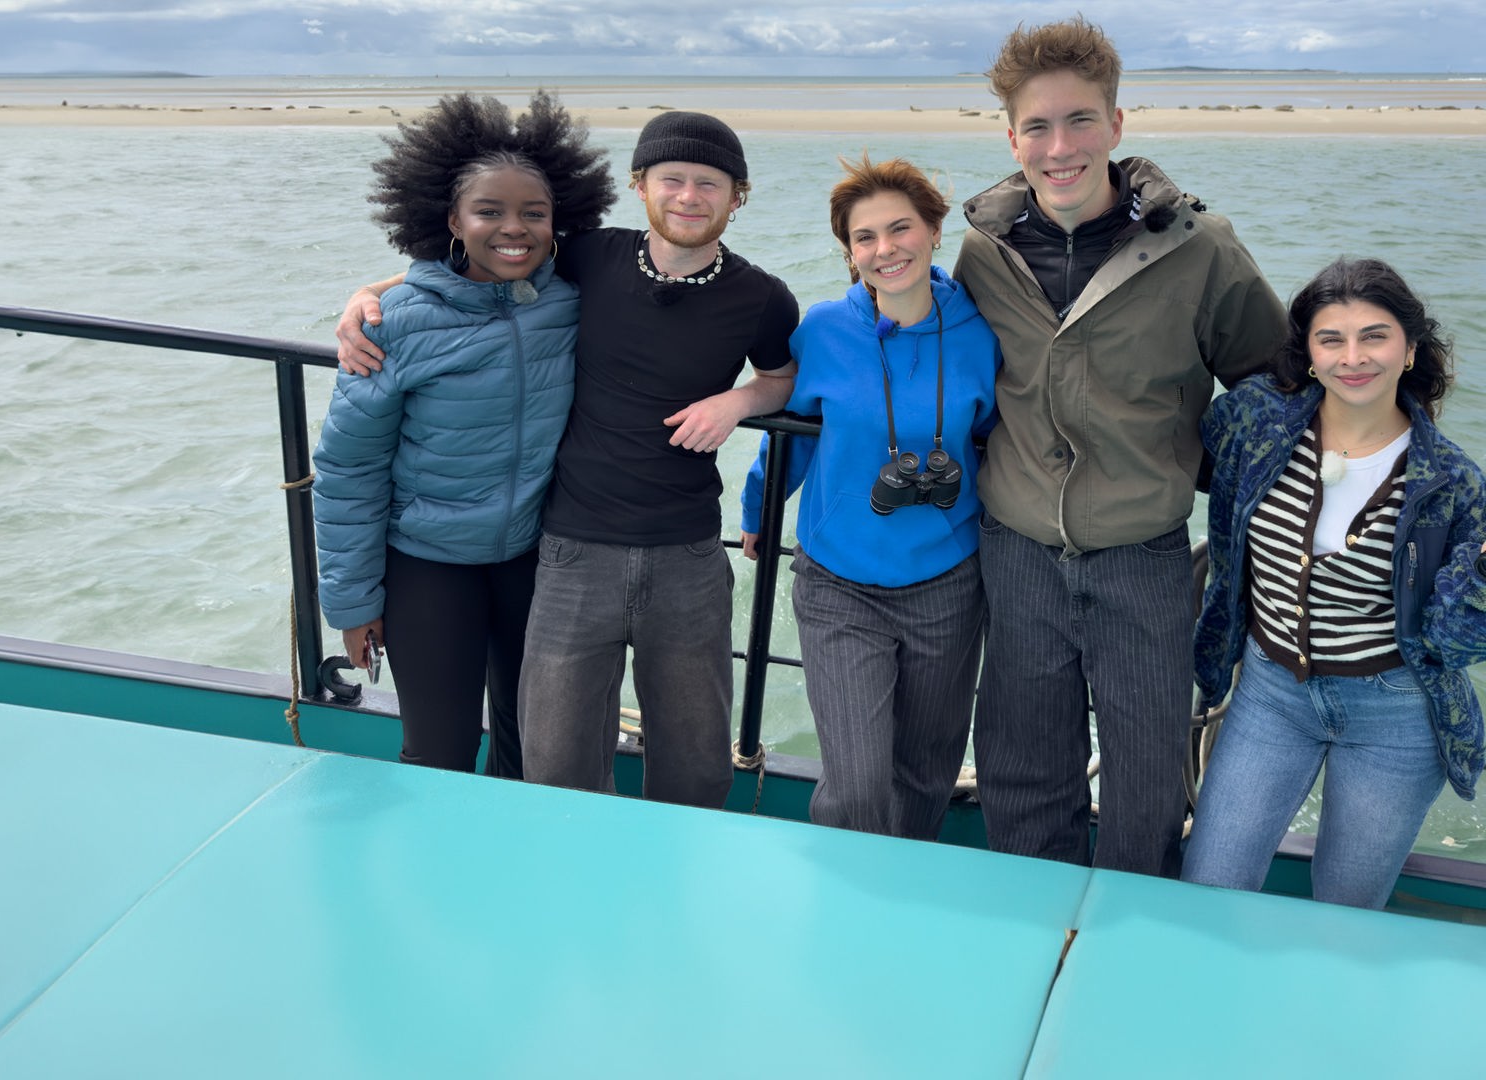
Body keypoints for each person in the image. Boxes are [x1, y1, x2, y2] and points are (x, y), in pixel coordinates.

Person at [337, 110, 800, 809]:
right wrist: (369, 295)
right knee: (552, 768)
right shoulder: (590, 258)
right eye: (671, 179)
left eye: (711, 183)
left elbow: (781, 375)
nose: (689, 196)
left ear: (738, 197)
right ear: (639, 185)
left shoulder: (764, 298)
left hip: (686, 553)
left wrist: (738, 402)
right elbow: (480, 263)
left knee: (696, 768)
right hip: (569, 552)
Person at [952, 16, 1288, 876]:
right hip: (1016, 551)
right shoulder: (981, 251)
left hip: (1144, 557)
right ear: (1012, 135)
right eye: (1037, 126)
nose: (1058, 147)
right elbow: (942, 372)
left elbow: (1275, 385)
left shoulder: (1200, 247)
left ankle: (1127, 945)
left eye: (1078, 121)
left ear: (1117, 125)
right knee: (1023, 775)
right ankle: (1033, 929)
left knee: (1144, 785)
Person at [312, 91, 614, 777]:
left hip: (542, 560)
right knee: (438, 753)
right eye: (490, 211)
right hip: (428, 564)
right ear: (451, 219)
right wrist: (353, 605)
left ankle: (514, 879)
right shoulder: (395, 322)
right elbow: (348, 471)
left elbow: (669, 271)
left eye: (533, 213)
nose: (515, 229)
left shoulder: (576, 296)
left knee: (534, 748)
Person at [1183, 258, 1486, 909]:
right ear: (1310, 354)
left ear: (1409, 350)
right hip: (1269, 695)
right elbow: (1177, 444)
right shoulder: (1255, 422)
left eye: (1374, 336)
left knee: (1345, 914)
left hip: (1395, 714)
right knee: (1208, 888)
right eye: (1332, 339)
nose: (1354, 357)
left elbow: (1454, 641)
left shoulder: (1450, 481)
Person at [737, 154, 999, 840]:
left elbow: (1004, 442)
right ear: (849, 252)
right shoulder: (823, 330)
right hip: (839, 583)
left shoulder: (982, 330)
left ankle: (899, 911)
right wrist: (757, 512)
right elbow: (788, 438)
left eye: (900, 228)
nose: (885, 250)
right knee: (854, 785)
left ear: (935, 231)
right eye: (865, 238)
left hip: (947, 582)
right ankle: (842, 909)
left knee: (924, 774)